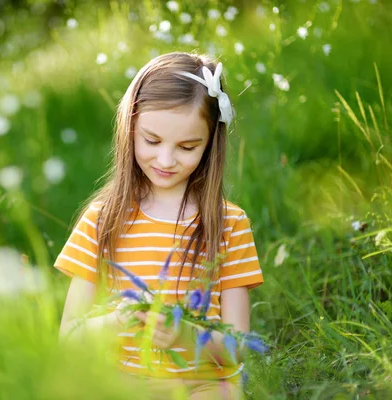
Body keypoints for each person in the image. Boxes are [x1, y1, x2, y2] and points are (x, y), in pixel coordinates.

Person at [54, 52, 264, 399]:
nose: (166, 160)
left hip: (202, 384)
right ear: (130, 129)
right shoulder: (102, 220)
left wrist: (185, 335)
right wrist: (117, 321)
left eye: (187, 147)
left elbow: (236, 346)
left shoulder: (229, 224)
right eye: (151, 141)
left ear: (210, 143)